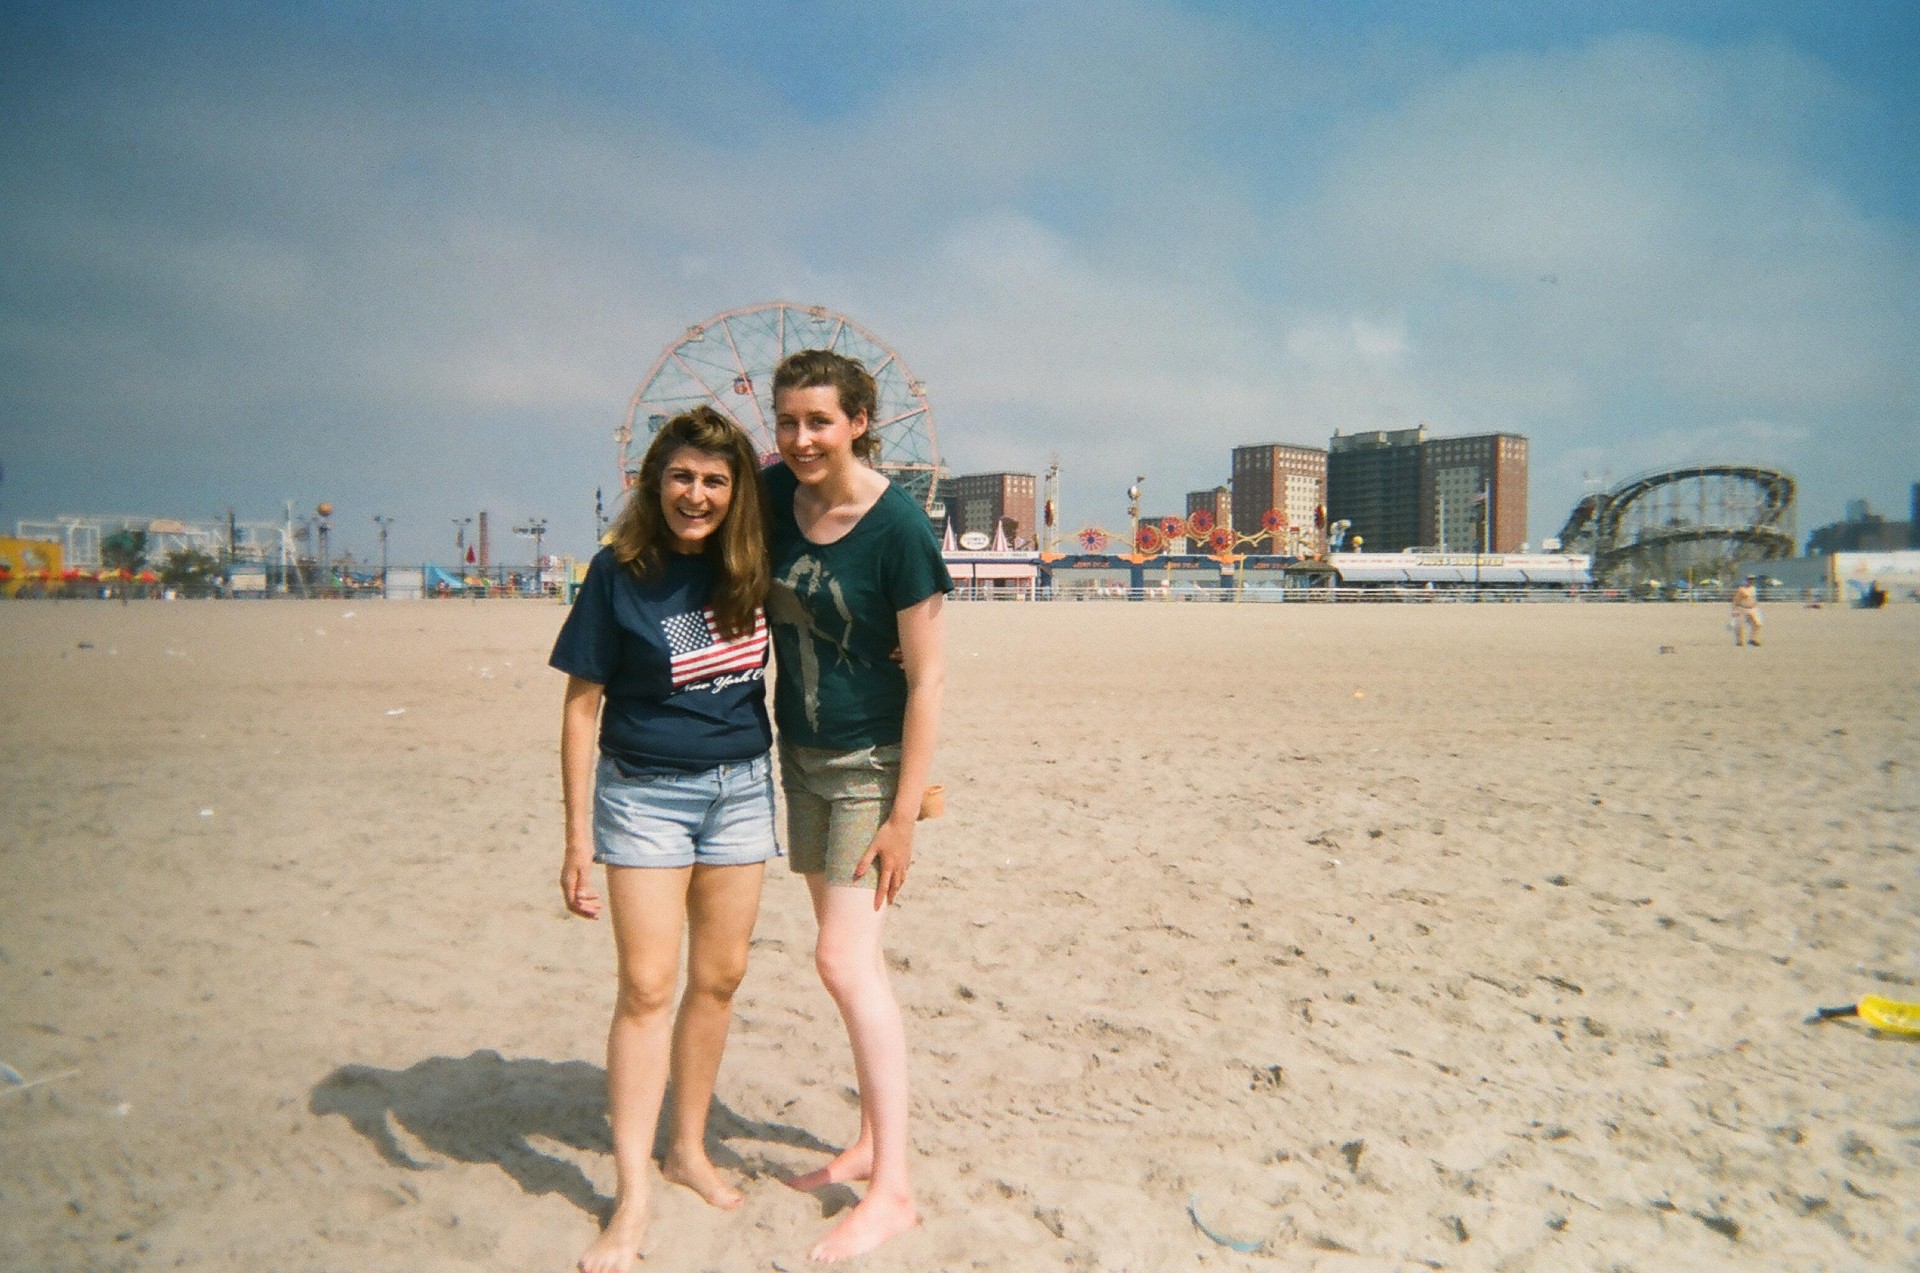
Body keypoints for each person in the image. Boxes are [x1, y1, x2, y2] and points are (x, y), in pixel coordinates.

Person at [549, 405, 775, 1273]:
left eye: (716, 480)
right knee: (647, 986)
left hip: (743, 791)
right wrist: (577, 835)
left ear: (735, 490)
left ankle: (688, 1148)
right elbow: (580, 705)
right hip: (643, 796)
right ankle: (632, 1192)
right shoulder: (620, 573)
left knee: (718, 978)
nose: (697, 494)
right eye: (682, 476)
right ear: (654, 480)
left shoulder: (751, 560)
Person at [764, 349, 952, 1263]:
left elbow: (929, 677)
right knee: (850, 961)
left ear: (861, 421)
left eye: (820, 421)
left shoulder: (898, 527)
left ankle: (895, 1190)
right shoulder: (772, 501)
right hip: (796, 755)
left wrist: (905, 812)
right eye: (789, 421)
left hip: (868, 765)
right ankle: (873, 1141)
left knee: (844, 960)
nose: (802, 439)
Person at [1731, 576, 1762, 646]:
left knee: (1757, 624)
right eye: (1750, 580)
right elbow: (1735, 600)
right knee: (1740, 626)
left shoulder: (1753, 589)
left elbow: (1754, 598)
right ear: (1746, 580)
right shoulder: (1741, 589)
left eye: (1753, 580)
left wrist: (1756, 607)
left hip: (1751, 609)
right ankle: (1739, 641)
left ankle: (1753, 639)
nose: (1751, 581)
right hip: (1742, 608)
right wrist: (1734, 610)